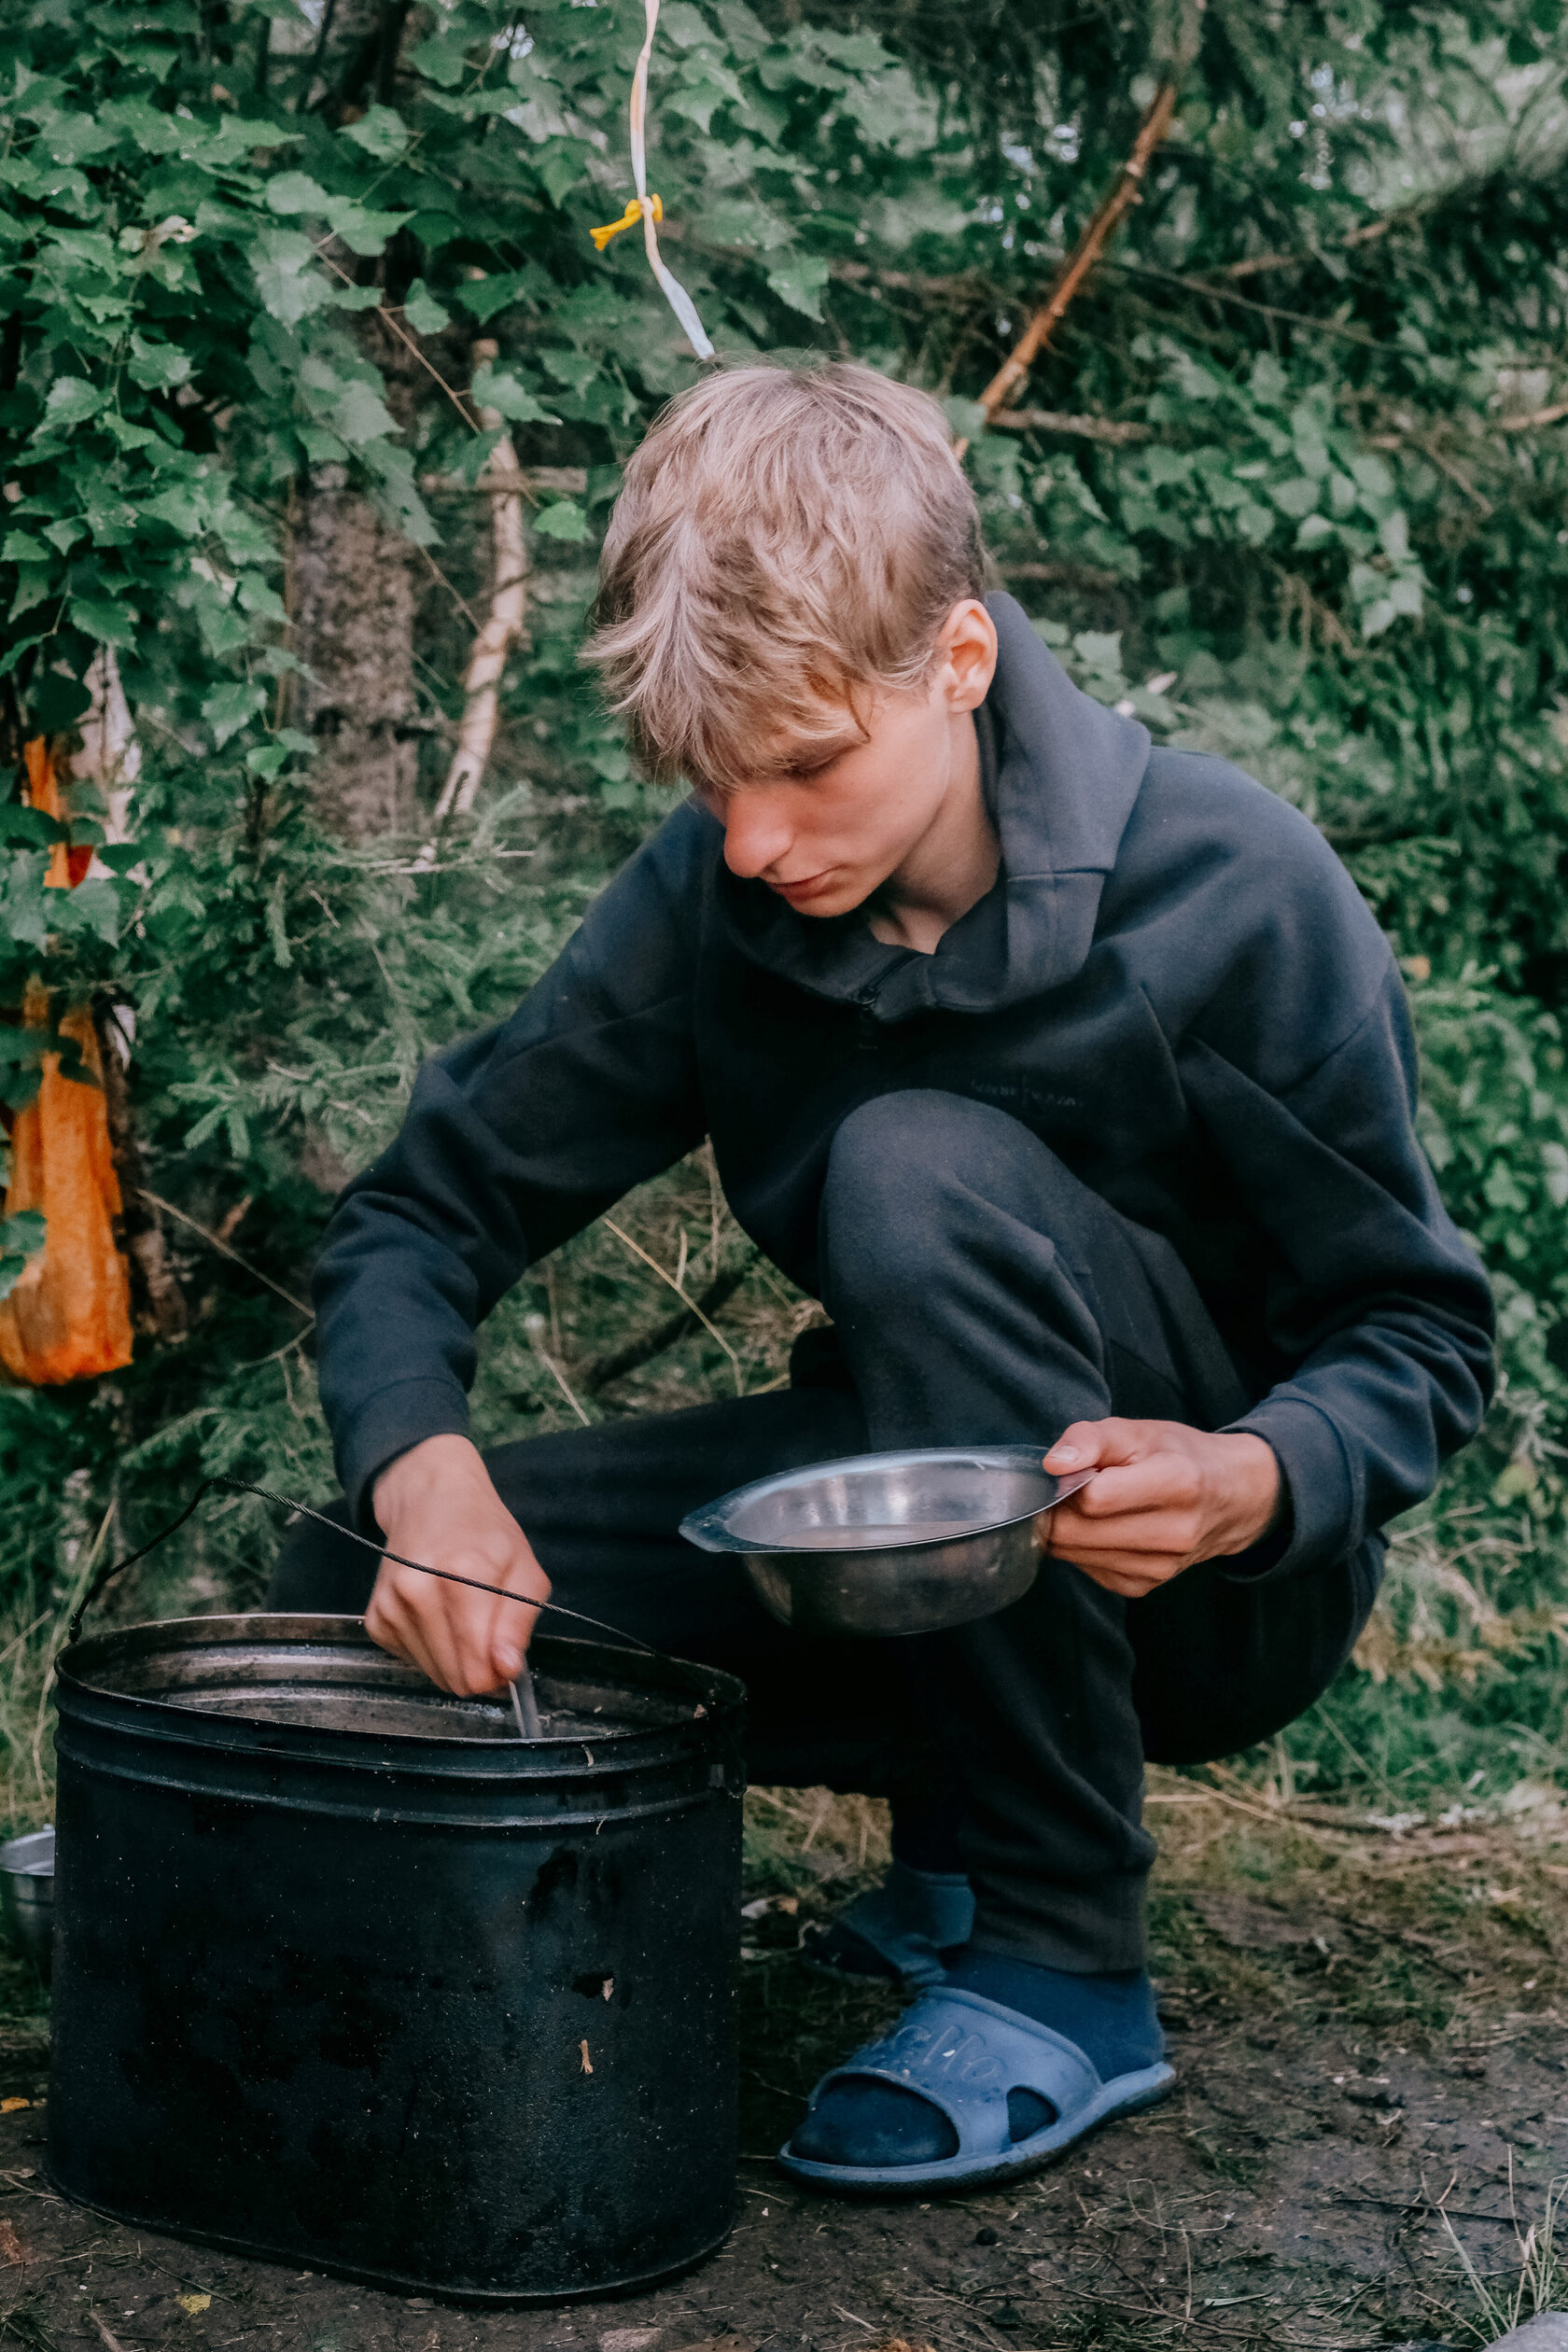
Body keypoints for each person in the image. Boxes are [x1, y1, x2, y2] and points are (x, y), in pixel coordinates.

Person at [273, 362, 1494, 2194]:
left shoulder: (1231, 892)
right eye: (710, 779)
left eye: (806, 765)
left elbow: (1421, 1332)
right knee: (360, 1567)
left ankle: (1063, 1956)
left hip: (1210, 1591)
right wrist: (420, 1473)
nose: (756, 840)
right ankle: (947, 1855)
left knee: (910, 1168)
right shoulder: (718, 901)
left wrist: (1259, 1478)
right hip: (911, 1540)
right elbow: (416, 1215)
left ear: (963, 663)